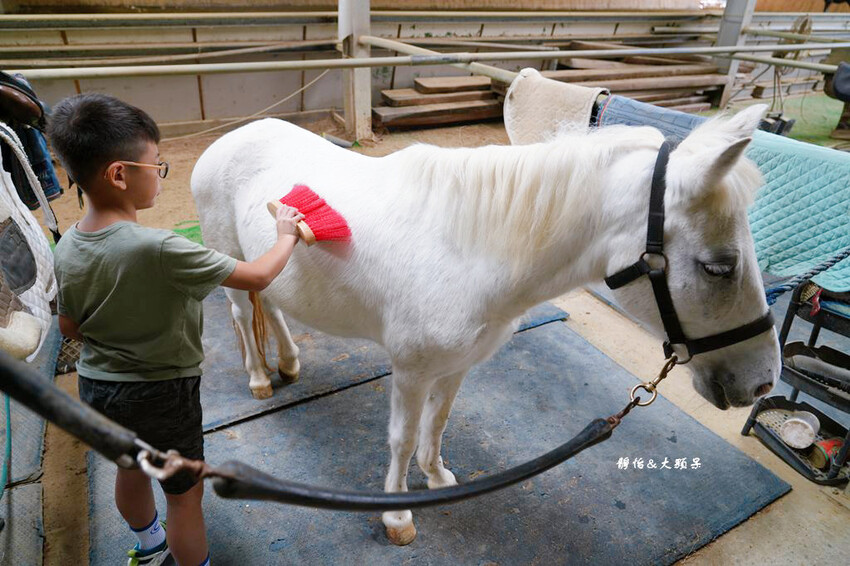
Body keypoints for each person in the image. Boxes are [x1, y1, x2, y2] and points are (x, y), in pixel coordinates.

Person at [48, 93, 303, 566]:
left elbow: (68, 325)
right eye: (156, 166)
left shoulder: (66, 248)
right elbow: (259, 277)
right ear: (120, 174)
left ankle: (148, 548)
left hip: (98, 388)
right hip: (162, 393)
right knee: (184, 495)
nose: (161, 177)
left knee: (131, 468)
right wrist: (285, 234)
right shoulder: (161, 248)